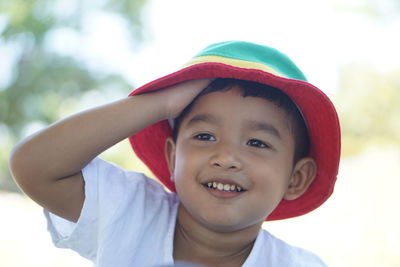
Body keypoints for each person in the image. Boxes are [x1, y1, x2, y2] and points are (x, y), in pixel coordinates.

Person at [9, 41, 341, 266]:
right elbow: (33, 166)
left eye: (257, 143)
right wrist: (161, 103)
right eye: (205, 135)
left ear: (296, 178)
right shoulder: (129, 211)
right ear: (172, 157)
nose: (225, 157)